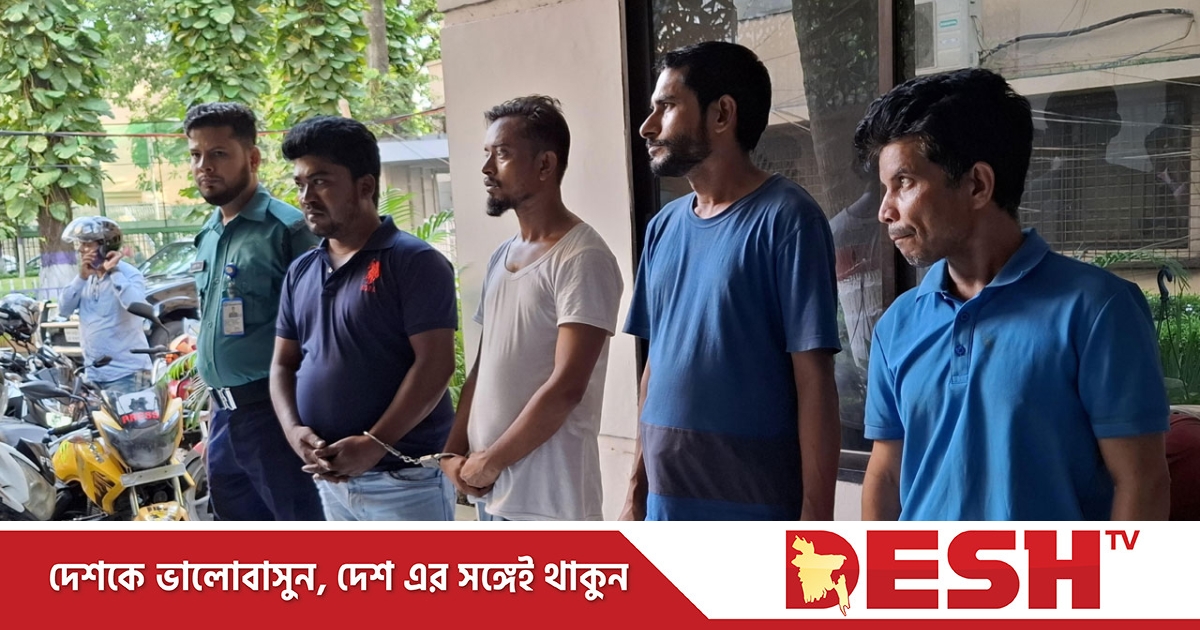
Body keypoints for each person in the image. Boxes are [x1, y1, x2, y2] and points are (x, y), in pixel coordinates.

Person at [855, 68, 1171, 521]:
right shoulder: (898, 323)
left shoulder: (1098, 309)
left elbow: (1140, 482)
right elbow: (886, 474)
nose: (885, 210)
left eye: (903, 182)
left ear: (977, 185)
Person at [622, 41, 842, 521]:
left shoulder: (788, 219)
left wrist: (815, 524)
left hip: (753, 512)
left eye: (667, 106)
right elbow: (655, 367)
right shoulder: (663, 227)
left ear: (722, 114)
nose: (647, 126)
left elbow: (815, 381)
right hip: (664, 510)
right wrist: (635, 495)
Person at [439, 96, 623, 521]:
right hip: (492, 494)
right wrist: (452, 452)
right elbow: (482, 368)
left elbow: (567, 387)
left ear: (545, 165)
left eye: (502, 154)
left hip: (550, 503)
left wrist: (490, 462)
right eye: (487, 153)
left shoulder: (583, 257)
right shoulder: (501, 256)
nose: (487, 168)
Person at [271, 116, 458, 521]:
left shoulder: (414, 262)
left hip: (405, 482)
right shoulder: (301, 271)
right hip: (331, 482)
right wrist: (293, 431)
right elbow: (283, 364)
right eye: (300, 184)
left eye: (320, 181)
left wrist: (375, 443)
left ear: (365, 186)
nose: (306, 196)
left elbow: (436, 364)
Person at [185, 102, 323, 521]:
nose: (204, 166)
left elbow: (320, 334)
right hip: (223, 417)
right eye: (196, 155)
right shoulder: (208, 235)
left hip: (276, 416)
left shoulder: (288, 230)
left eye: (218, 153)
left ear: (253, 158)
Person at [58, 217, 152, 394]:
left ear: (105, 247)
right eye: (80, 244)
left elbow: (136, 304)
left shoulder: (129, 274)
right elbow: (63, 309)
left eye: (87, 244)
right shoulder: (87, 276)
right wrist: (81, 278)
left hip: (127, 375)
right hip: (94, 375)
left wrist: (114, 271)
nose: (81, 249)